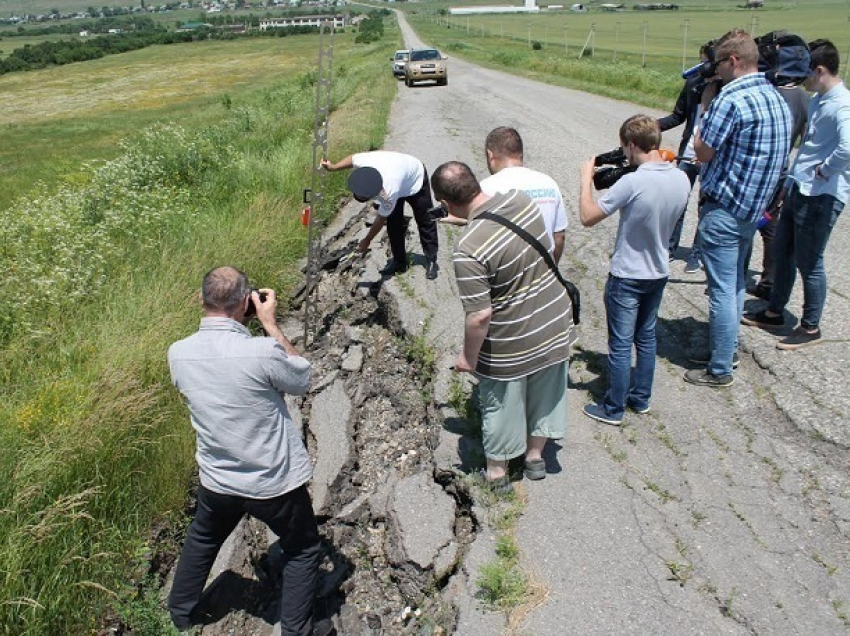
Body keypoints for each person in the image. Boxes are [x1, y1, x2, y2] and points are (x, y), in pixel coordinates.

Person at [167, 267, 322, 635]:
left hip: (218, 478)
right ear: (245, 302)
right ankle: (296, 631)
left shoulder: (178, 353)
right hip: (272, 483)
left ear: (200, 300)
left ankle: (180, 613)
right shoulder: (262, 351)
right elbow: (302, 377)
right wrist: (269, 323)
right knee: (302, 550)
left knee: (203, 538)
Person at [432, 161, 574, 491]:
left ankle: (497, 473)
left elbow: (480, 315)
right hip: (553, 322)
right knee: (546, 390)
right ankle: (535, 457)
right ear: (473, 182)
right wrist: (468, 219)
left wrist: (468, 358)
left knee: (500, 400)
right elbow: (500, 224)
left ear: (445, 203)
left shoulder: (468, 248)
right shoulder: (521, 202)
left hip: (512, 338)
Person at [683, 28, 791, 388]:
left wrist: (705, 105)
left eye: (718, 64)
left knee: (721, 292)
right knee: (736, 285)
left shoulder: (730, 99)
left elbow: (702, 151)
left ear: (732, 61)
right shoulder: (775, 97)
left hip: (724, 210)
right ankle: (724, 350)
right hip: (751, 209)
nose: (714, 71)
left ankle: (720, 368)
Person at [579, 115, 691, 425]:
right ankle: (641, 398)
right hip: (658, 271)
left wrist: (585, 179)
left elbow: (588, 216)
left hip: (628, 274)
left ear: (630, 145)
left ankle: (613, 408)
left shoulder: (633, 181)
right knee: (646, 337)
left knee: (619, 344)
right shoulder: (681, 178)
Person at [742, 39, 850, 350]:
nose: (803, 81)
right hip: (799, 187)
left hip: (822, 194)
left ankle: (810, 326)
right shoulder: (818, 99)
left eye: (807, 75)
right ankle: (775, 311)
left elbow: (847, 147)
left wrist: (825, 170)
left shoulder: (841, 103)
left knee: (810, 261)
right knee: (782, 251)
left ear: (820, 70)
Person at [439, 127, 569, 263]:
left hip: (507, 274)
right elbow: (559, 237)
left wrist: (459, 217)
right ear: (520, 152)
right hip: (545, 272)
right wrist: (552, 268)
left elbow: (487, 226)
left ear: (490, 155)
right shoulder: (548, 183)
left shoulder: (486, 187)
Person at [321, 151, 439, 279]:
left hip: (415, 178)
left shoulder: (389, 191)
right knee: (394, 224)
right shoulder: (364, 163)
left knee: (425, 219)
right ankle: (399, 262)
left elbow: (381, 218)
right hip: (398, 174)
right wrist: (333, 167)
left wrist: (367, 240)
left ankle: (431, 259)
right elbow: (352, 159)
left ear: (376, 191)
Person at [744, 83, 811, 300]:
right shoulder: (803, 97)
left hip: (757, 170)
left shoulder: (766, 91)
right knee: (770, 228)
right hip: (781, 169)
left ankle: (736, 277)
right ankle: (768, 282)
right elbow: (805, 138)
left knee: (743, 223)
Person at [657, 40, 715, 271]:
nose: (702, 68)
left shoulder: (726, 90)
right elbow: (677, 116)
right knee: (678, 201)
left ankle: (697, 254)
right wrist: (651, 126)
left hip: (709, 158)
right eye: (700, 62)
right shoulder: (693, 84)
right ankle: (669, 248)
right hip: (687, 154)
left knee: (705, 206)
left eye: (706, 63)